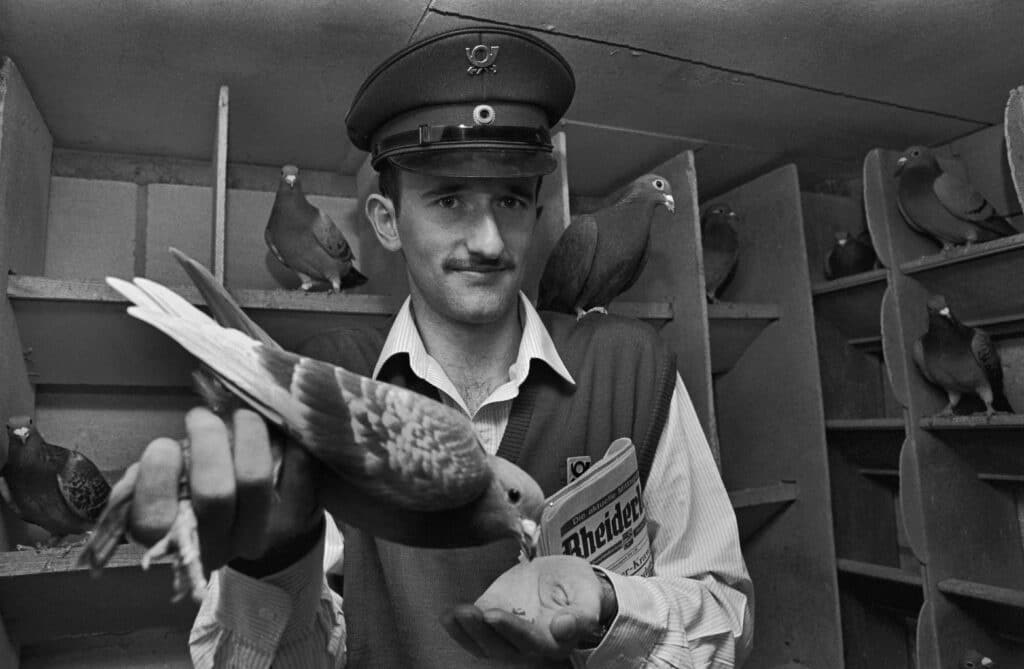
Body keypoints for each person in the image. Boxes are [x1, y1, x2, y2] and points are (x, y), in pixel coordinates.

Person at [128, 26, 753, 668]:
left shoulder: (632, 366)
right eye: (449, 199)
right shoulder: (334, 369)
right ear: (387, 222)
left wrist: (604, 605)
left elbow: (725, 616)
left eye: (510, 199)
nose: (487, 239)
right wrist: (274, 565)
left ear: (538, 215)